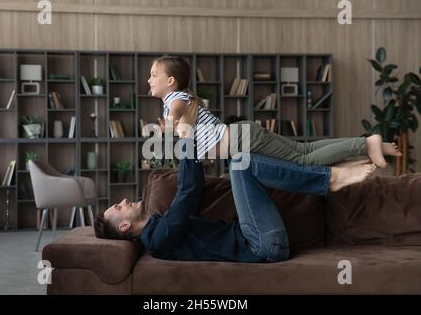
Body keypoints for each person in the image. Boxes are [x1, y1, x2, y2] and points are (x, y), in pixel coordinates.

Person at [94, 111, 377, 263]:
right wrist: (186, 136)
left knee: (243, 159)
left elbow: (190, 190)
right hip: (261, 247)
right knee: (241, 163)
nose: (122, 201)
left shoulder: (159, 226)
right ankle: (327, 179)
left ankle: (334, 169)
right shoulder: (157, 240)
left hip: (256, 235)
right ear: (123, 228)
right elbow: (189, 192)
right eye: (117, 208)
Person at [149, 55, 402, 167]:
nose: (149, 80)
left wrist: (170, 123)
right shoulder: (179, 97)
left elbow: (178, 108)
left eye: (153, 75)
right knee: (305, 150)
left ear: (171, 80)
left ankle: (366, 144)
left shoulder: (175, 98)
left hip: (240, 139)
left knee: (304, 160)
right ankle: (375, 144)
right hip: (241, 135)